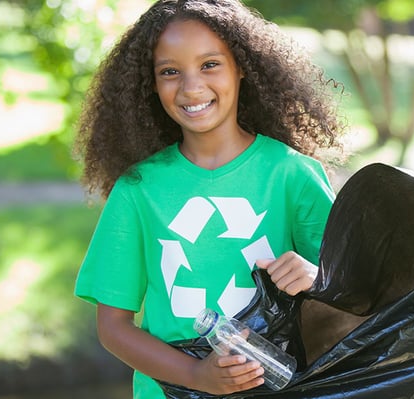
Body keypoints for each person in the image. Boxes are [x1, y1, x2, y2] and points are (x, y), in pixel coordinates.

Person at [72, 0, 346, 397]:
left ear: (242, 67)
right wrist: (196, 375)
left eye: (210, 64)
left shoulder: (292, 175)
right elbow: (113, 327)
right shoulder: (138, 189)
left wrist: (317, 278)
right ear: (150, 84)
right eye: (170, 72)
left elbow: (352, 294)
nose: (191, 87)